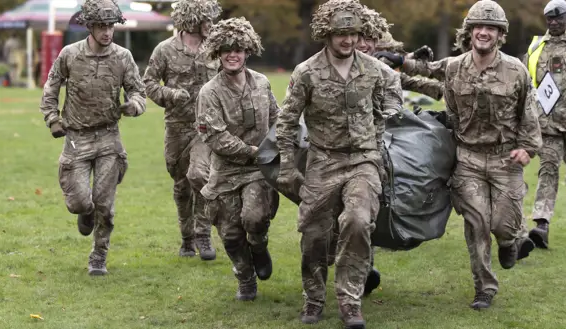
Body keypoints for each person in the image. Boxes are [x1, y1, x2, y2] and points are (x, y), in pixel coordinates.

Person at [377, 0, 541, 310]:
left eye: (490, 28)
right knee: (476, 223)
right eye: (478, 27)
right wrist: (398, 60)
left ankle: (509, 242)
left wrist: (528, 147)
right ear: (469, 32)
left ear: (500, 34)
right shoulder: (456, 66)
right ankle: (484, 288)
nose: (483, 32)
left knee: (503, 225)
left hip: (505, 159)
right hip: (468, 158)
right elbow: (429, 68)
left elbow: (529, 112)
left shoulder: (515, 70)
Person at [275, 0, 391, 327]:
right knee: (314, 235)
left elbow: (381, 114)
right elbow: (286, 122)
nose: (348, 40)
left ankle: (350, 301)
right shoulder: (307, 72)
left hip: (362, 161)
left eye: (354, 33)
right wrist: (287, 165)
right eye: (341, 34)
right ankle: (313, 299)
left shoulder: (373, 70)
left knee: (358, 221)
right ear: (326, 34)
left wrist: (376, 153)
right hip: (323, 161)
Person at [39, 0, 146, 276]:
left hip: (109, 137)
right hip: (77, 138)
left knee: (105, 204)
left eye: (110, 26)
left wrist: (134, 105)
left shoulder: (123, 57)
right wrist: (52, 119)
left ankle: (99, 256)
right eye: (101, 26)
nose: (107, 32)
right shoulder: (70, 54)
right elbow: (50, 88)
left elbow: (138, 91)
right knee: (79, 202)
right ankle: (85, 212)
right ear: (89, 26)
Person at [196, 17, 280, 301]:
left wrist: (282, 143)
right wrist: (252, 151)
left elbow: (277, 118)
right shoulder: (210, 92)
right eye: (226, 50)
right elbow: (216, 137)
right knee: (231, 235)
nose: (233, 54)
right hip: (226, 171)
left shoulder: (262, 83)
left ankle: (259, 245)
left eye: (238, 49)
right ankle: (245, 279)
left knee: (254, 218)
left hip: (258, 170)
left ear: (247, 51)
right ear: (217, 53)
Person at [143, 0, 221, 260]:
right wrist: (170, 94)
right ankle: (187, 238)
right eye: (206, 19)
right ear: (192, 21)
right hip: (177, 128)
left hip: (206, 129)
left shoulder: (216, 48)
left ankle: (203, 235)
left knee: (200, 176)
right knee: (182, 186)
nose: (211, 24)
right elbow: (149, 83)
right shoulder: (165, 50)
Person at [521, 0, 566, 249]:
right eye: (550, 18)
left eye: (559, 18)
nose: (554, 22)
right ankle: (542, 224)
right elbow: (525, 82)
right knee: (548, 168)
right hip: (546, 123)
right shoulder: (536, 47)